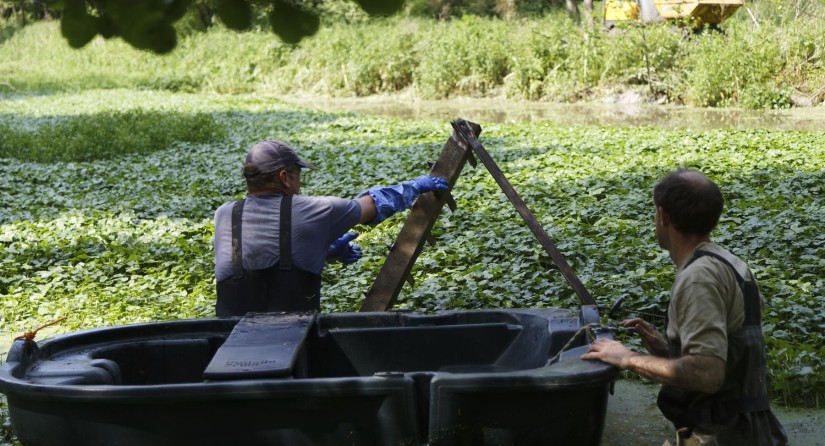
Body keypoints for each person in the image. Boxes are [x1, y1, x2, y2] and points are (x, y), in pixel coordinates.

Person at [582, 169, 787, 446]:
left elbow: (707, 374)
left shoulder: (698, 278)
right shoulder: (730, 263)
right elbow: (730, 357)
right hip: (748, 430)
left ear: (663, 216)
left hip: (721, 435)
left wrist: (626, 358)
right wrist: (668, 351)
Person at [214, 139, 448, 317]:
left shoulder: (224, 214)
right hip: (294, 340)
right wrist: (415, 186)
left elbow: (259, 256)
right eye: (298, 176)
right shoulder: (315, 210)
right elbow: (373, 204)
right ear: (285, 178)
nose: (300, 183)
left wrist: (321, 252)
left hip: (230, 341)